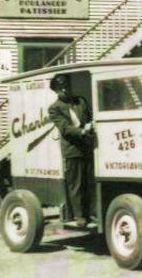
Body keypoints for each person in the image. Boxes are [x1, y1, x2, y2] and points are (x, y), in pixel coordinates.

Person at [48, 74, 95, 228]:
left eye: (67, 86)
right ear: (55, 90)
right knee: (76, 185)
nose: (65, 90)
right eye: (61, 88)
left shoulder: (81, 101)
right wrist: (82, 131)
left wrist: (91, 126)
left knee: (90, 182)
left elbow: (89, 118)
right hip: (72, 150)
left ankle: (91, 214)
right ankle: (80, 216)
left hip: (88, 147)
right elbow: (65, 128)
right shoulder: (54, 108)